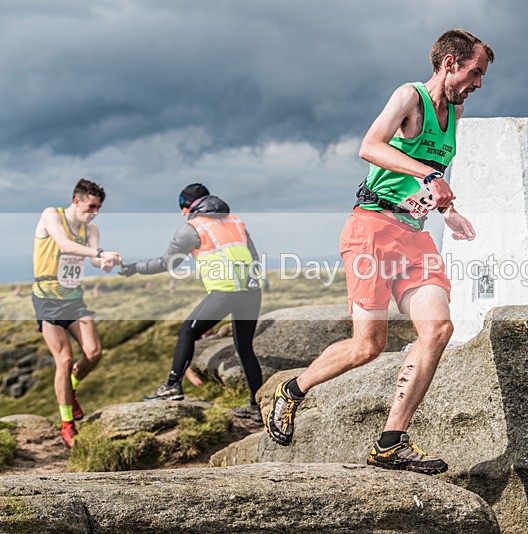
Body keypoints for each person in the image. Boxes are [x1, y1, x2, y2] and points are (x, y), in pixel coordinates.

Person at [266, 29, 493, 475]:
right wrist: (429, 177)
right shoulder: (409, 96)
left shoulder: (457, 112)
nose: (478, 83)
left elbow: (430, 177)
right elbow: (370, 146)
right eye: (475, 72)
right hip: (371, 228)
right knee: (368, 346)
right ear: (450, 62)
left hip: (414, 234)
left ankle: (391, 442)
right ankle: (294, 389)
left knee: (439, 330)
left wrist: (448, 210)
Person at [119, 183, 265, 422]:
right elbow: (254, 257)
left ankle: (172, 386)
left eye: (182, 207)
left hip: (225, 292)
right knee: (245, 348)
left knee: (187, 331)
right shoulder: (235, 222)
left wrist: (135, 268)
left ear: (189, 206)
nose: (181, 213)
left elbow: (168, 262)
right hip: (251, 292)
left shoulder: (192, 227)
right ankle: (255, 406)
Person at [32, 178, 123, 448]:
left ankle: (69, 389)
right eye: (91, 206)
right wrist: (100, 252)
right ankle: (67, 424)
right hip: (48, 299)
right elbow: (65, 245)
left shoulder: (91, 229)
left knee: (94, 353)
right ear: (77, 201)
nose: (94, 212)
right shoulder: (52, 215)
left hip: (74, 299)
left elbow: (94, 260)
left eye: (98, 208)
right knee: (64, 359)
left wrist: (106, 263)